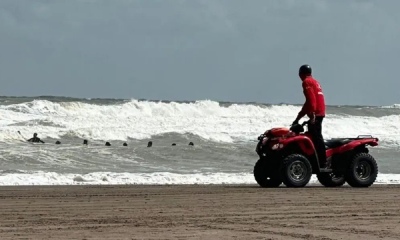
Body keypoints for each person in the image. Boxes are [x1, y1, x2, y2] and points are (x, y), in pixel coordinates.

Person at [292, 64, 327, 167]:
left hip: (316, 113)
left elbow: (312, 101)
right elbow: (308, 103)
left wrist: (312, 116)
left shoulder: (306, 82)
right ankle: (315, 160)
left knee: (316, 137)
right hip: (319, 112)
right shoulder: (315, 82)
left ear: (300, 74)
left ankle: (323, 162)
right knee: (313, 136)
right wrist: (298, 118)